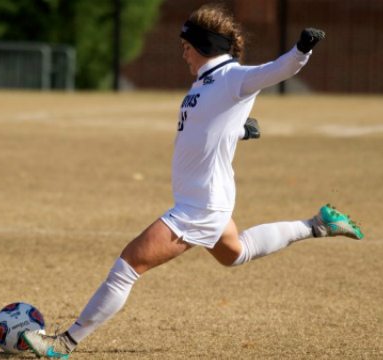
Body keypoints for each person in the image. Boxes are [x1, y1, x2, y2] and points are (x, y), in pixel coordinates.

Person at [21, 4, 363, 359]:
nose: (182, 53)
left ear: (203, 46)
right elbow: (204, 127)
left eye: (186, 46)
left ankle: (64, 343)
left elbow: (278, 70)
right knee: (237, 253)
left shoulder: (234, 76)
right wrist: (237, 131)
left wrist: (301, 50)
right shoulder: (206, 82)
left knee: (128, 265)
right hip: (203, 199)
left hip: (200, 205)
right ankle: (318, 225)